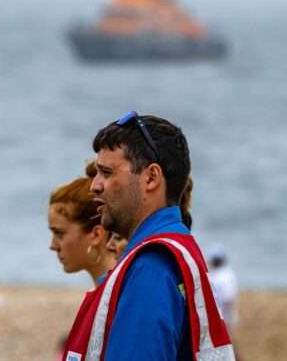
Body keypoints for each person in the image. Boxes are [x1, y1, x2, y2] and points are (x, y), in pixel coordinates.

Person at [62, 111, 234, 361]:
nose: (94, 185)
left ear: (151, 178)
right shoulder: (181, 248)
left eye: (107, 173)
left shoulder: (151, 267)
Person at [48, 161, 116, 285]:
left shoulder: (115, 291)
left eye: (60, 234)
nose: (53, 246)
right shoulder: (113, 285)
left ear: (96, 235)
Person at [208, 245, 239, 330]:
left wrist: (229, 318)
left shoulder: (225, 275)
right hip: (219, 317)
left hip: (222, 317)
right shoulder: (219, 273)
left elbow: (228, 299)